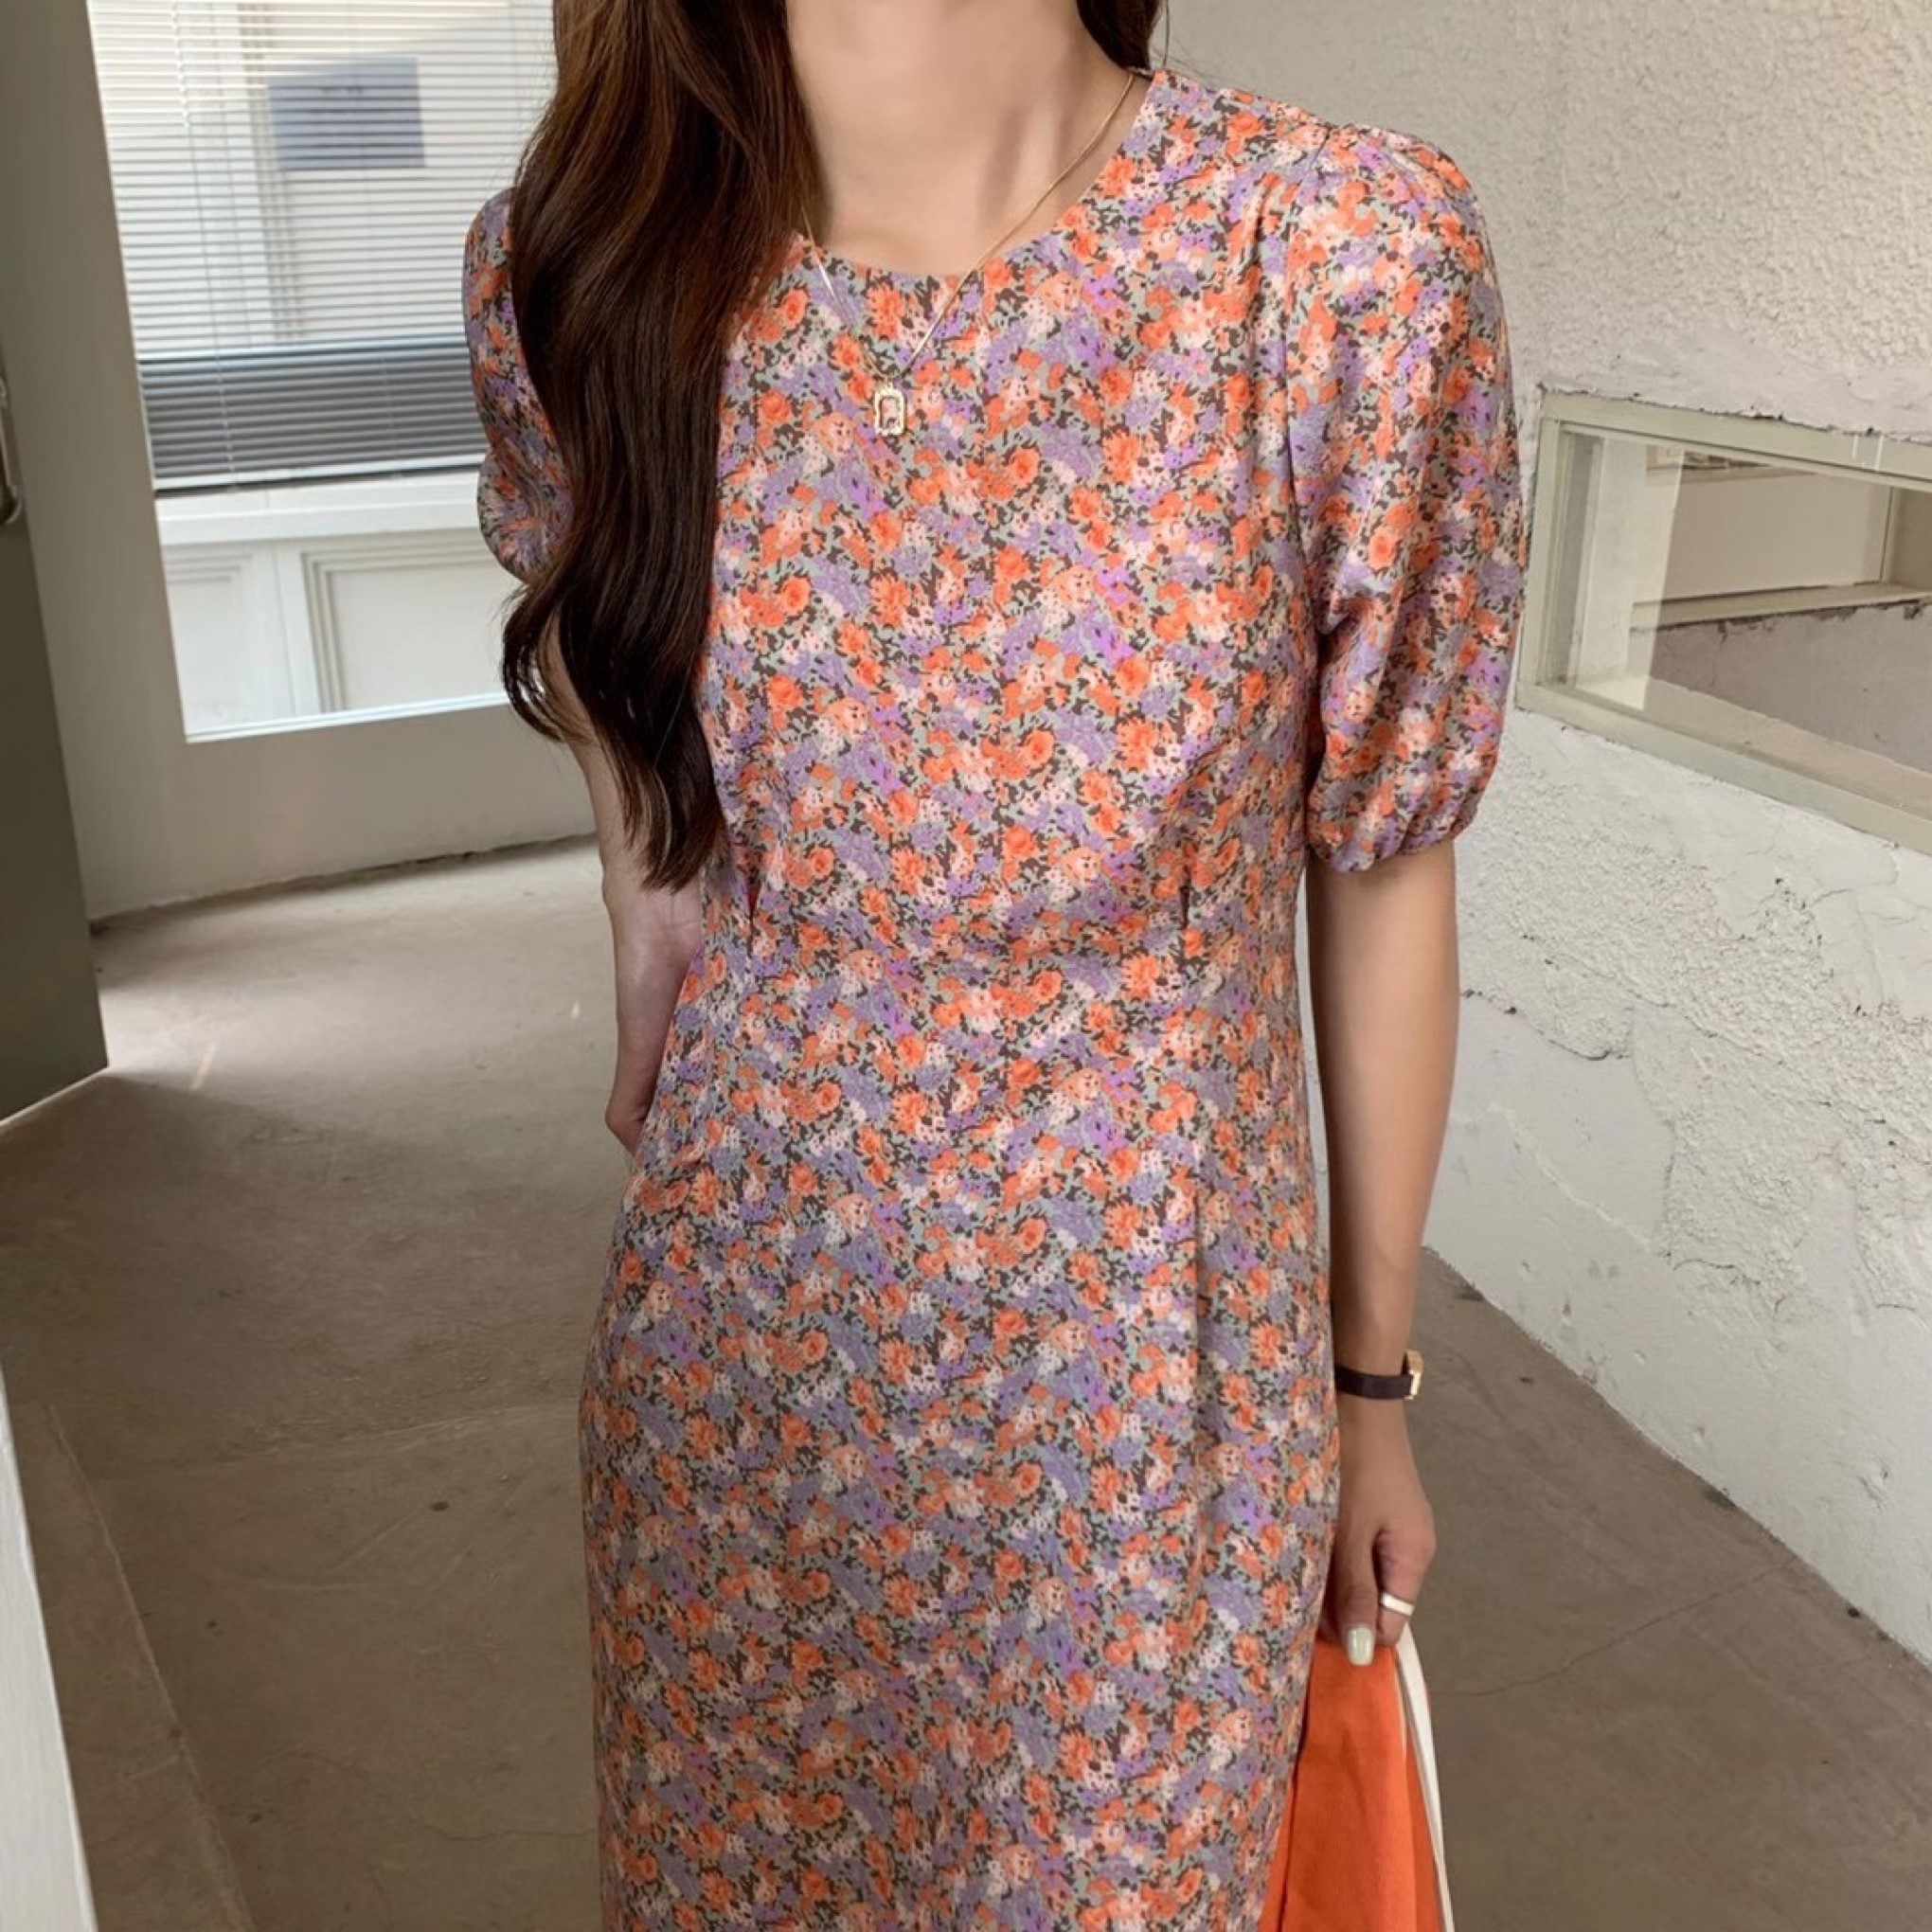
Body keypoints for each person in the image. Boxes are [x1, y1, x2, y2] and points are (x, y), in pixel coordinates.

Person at [462, 1, 1526, 1923]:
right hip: (746, 1360)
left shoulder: (1338, 260)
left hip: (1153, 1396)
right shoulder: (590, 256)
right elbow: (597, 627)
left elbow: (1384, 850)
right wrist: (650, 895)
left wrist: (1369, 1390)